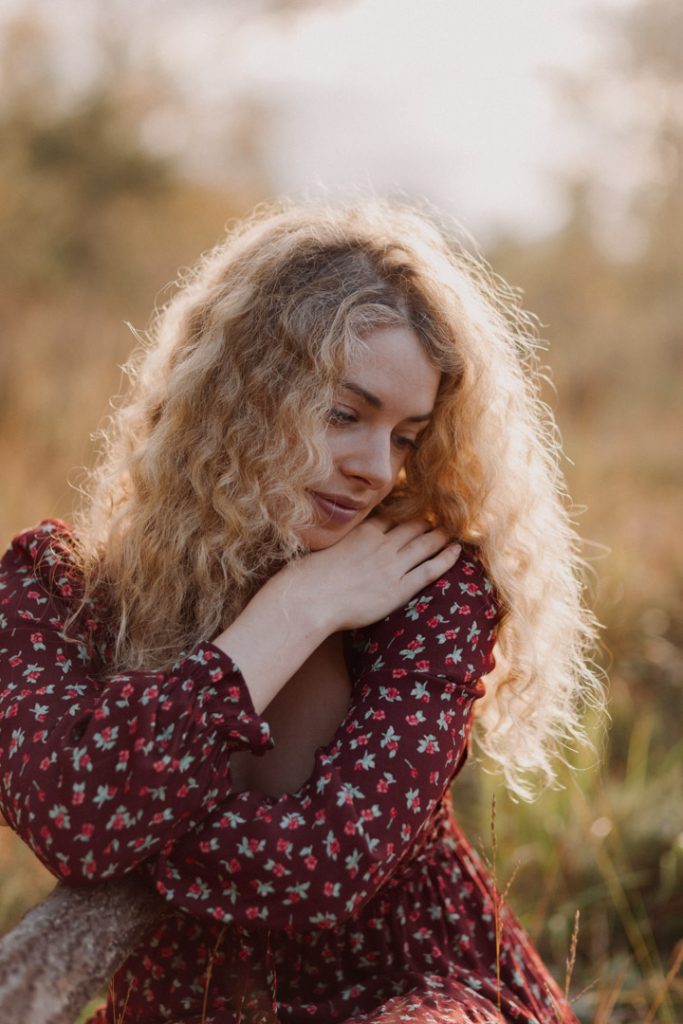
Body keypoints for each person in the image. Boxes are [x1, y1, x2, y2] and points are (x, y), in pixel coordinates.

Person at [0, 200, 601, 1023]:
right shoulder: (54, 590)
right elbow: (72, 821)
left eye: (405, 436)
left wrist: (135, 828)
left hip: (422, 996)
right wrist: (294, 609)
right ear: (237, 396)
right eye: (345, 414)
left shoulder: (427, 590)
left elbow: (322, 871)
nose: (375, 470)